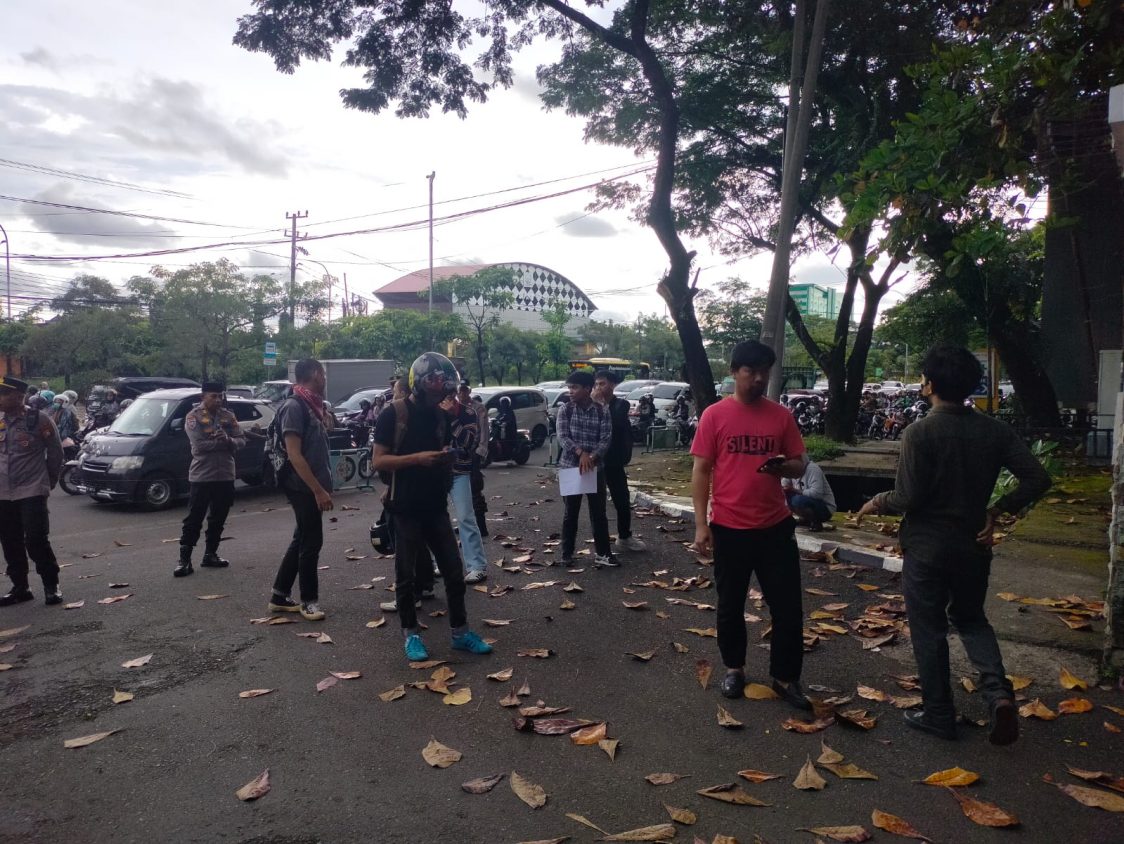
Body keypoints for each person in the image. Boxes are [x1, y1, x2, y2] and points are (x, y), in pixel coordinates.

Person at [856, 345, 1051, 746]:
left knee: (928, 631)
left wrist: (876, 502)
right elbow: (1037, 478)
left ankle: (939, 714)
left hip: (927, 549)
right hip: (972, 545)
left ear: (927, 384)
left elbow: (907, 497)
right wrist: (997, 510)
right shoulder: (994, 430)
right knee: (971, 619)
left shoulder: (919, 432)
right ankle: (998, 694)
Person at [691, 340, 812, 709]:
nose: (758, 378)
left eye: (764, 372)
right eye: (750, 372)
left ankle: (786, 677)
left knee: (787, 607)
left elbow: (801, 463)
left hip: (775, 526)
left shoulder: (780, 416)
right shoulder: (714, 415)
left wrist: (783, 466)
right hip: (729, 526)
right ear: (734, 371)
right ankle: (734, 668)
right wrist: (701, 523)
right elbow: (701, 469)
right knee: (730, 604)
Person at [372, 352, 492, 661]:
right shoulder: (393, 414)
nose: (440, 392)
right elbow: (379, 460)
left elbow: (436, 450)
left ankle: (461, 633)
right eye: (434, 385)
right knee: (406, 577)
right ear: (419, 384)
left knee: (453, 572)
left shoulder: (440, 416)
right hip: (404, 507)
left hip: (435, 505)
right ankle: (411, 636)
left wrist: (444, 457)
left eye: (444, 386)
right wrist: (418, 459)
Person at [268, 359, 333, 622]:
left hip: (308, 485)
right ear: (316, 374)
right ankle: (309, 601)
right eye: (324, 374)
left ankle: (279, 596)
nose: (325, 379)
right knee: (311, 541)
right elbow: (294, 455)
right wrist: (317, 490)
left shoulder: (312, 406)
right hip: (300, 485)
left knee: (302, 538)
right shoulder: (295, 406)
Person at [0, 376, 64, 606]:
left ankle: (51, 585)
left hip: (32, 489)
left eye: (3, 394)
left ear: (18, 396)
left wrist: (49, 482)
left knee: (36, 540)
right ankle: (20, 587)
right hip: (3, 493)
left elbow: (55, 453)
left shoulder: (39, 420)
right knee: (10, 541)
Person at [173, 382, 246, 578]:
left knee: (218, 517)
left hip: (225, 475)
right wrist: (222, 442)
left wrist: (229, 440)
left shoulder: (228, 416)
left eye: (220, 396)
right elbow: (199, 446)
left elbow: (241, 441)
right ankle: (184, 560)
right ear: (203, 397)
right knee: (194, 518)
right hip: (202, 476)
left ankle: (210, 554)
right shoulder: (193, 417)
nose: (218, 399)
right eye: (213, 396)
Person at [556, 369, 615, 567]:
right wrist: (580, 452)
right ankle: (566, 553)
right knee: (570, 513)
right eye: (569, 387)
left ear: (587, 389)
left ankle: (603, 553)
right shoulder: (566, 409)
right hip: (570, 467)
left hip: (595, 469)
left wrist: (591, 457)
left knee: (598, 513)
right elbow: (563, 437)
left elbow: (606, 439)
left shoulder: (601, 410)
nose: (570, 391)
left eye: (574, 387)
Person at [594, 370, 644, 554]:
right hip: (594, 461)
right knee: (594, 505)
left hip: (614, 461)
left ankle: (624, 536)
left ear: (612, 385)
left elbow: (615, 423)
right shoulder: (590, 406)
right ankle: (597, 544)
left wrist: (600, 405)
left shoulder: (620, 404)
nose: (599, 388)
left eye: (603, 384)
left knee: (622, 500)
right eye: (597, 384)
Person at [446, 387, 488, 583]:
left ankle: (477, 565)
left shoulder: (467, 412)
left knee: (465, 517)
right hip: (435, 472)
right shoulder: (430, 411)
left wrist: (452, 420)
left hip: (460, 471)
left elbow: (469, 442)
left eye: (450, 395)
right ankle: (439, 563)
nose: (448, 400)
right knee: (435, 519)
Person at [782, 459, 836, 531]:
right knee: (784, 495)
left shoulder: (812, 469)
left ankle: (816, 522)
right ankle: (806, 520)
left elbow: (817, 494)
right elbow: (783, 485)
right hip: (806, 501)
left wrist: (795, 490)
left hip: (825, 508)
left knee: (797, 500)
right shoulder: (792, 469)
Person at [470, 393, 489, 537]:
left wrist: (480, 451)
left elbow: (484, 431)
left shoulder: (478, 408)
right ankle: (469, 524)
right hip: (457, 455)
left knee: (475, 490)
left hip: (473, 452)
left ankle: (481, 526)